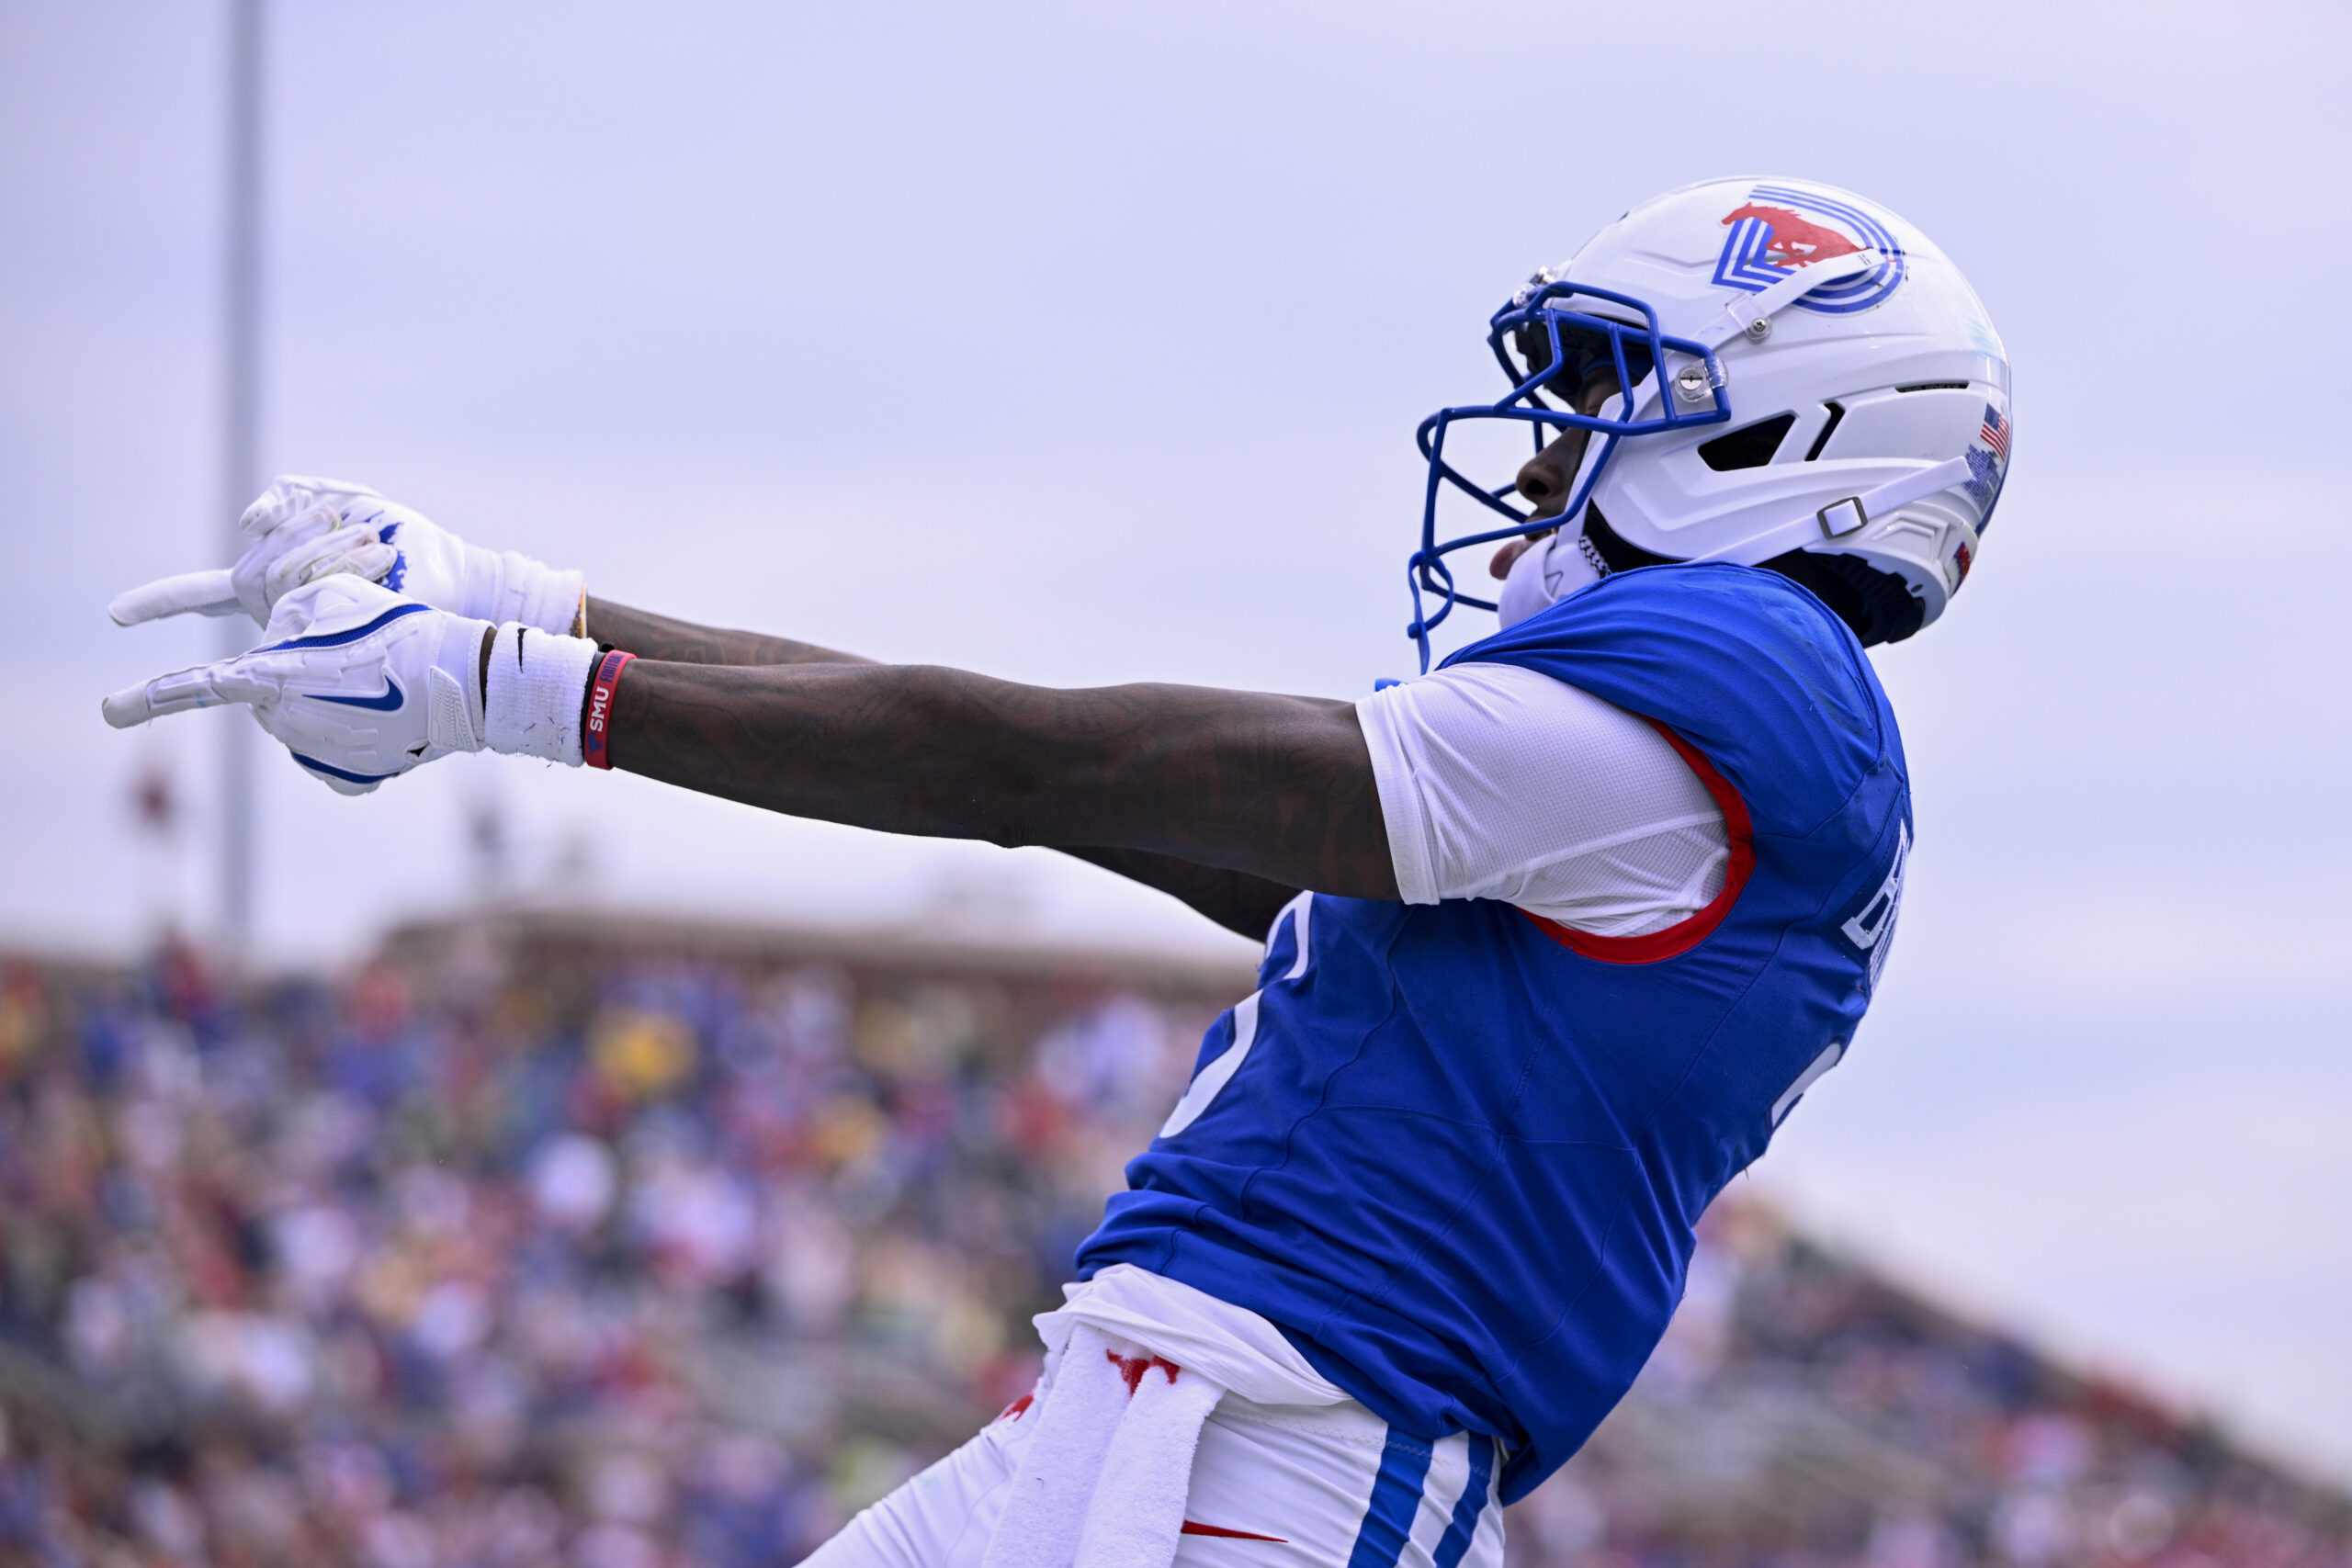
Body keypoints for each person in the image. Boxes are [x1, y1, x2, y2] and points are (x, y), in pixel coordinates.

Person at [104, 176, 2011, 1568]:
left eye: (1614, 384)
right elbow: (1098, 793)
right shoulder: (1674, 769)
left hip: (1292, 1456)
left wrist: (537, 695)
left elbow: (1038, 757)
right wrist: (546, 607)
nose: (1539, 464)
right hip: (1141, 1417)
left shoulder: (1748, 687)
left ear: (1798, 435)